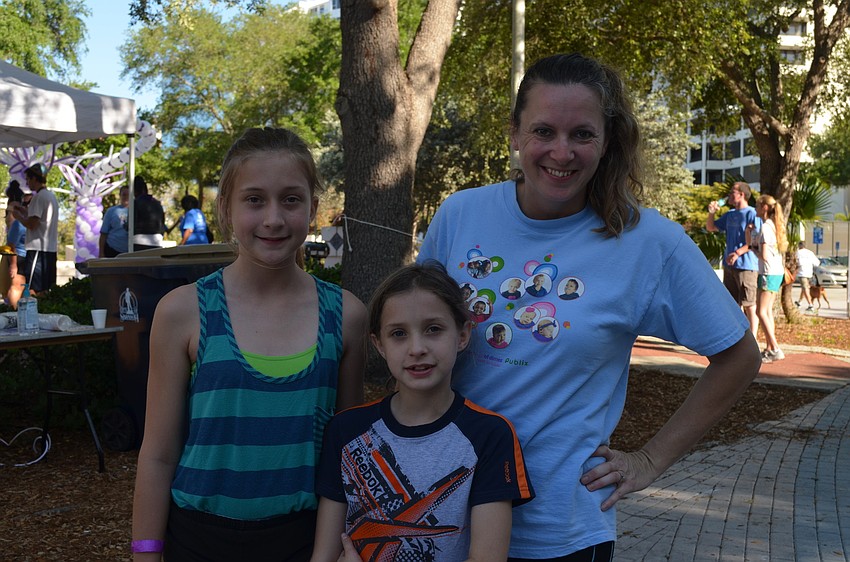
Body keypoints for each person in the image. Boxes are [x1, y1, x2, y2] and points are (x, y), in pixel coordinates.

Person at [417, 53, 761, 560]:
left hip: (559, 529)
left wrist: (649, 459)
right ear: (514, 134)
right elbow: (417, 335)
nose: (562, 152)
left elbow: (740, 356)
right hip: (440, 514)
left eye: (582, 134)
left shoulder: (648, 243)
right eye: (543, 131)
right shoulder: (461, 214)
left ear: (606, 141)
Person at [131, 127, 368, 562]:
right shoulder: (182, 311)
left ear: (313, 208)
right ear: (226, 207)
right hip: (198, 540)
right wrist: (146, 552)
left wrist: (342, 545)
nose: (273, 218)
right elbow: (159, 453)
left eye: (291, 199)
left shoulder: (346, 316)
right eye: (254, 199)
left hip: (304, 541)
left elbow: (347, 455)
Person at [310, 262, 534, 562]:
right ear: (379, 344)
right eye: (399, 333)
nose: (417, 348)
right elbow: (323, 555)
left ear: (463, 334)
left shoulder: (490, 435)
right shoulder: (345, 430)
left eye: (433, 329)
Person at [706, 181, 762, 335]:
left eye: (732, 192)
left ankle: (753, 340)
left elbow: (756, 239)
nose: (729, 195)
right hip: (729, 266)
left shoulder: (752, 213)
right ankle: (737, 336)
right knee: (733, 304)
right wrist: (711, 212)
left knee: (749, 304)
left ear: (742, 194)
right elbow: (711, 227)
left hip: (747, 265)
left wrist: (738, 253)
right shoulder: (730, 214)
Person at [746, 194, 788, 363]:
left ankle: (775, 348)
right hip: (776, 272)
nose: (755, 208)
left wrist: (753, 249)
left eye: (757, 205)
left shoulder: (765, 228)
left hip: (768, 272)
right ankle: (770, 347)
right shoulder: (773, 226)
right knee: (767, 311)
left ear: (764, 207)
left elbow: (763, 255)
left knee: (760, 311)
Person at [12, 164, 58, 294]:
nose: (27, 182)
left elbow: (33, 224)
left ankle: (35, 314)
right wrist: (24, 211)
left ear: (34, 179)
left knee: (34, 290)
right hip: (50, 249)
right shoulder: (50, 196)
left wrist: (18, 216)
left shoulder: (39, 197)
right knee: (46, 289)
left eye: (28, 179)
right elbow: (41, 218)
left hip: (38, 249)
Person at [3, 181, 27, 308]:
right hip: (17, 251)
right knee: (16, 285)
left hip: (14, 250)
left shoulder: (10, 207)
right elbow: (13, 238)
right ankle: (13, 311)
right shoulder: (16, 208)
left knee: (17, 285)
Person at [132, 175, 165, 251]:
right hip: (157, 241)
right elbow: (162, 222)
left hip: (139, 241)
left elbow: (131, 224)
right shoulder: (157, 203)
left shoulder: (135, 203)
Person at [99, 185, 130, 257]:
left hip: (129, 251)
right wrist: (101, 253)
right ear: (120, 196)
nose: (126, 197)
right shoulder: (111, 211)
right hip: (112, 249)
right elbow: (103, 233)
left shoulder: (136, 211)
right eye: (124, 195)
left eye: (129, 195)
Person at [795, 241, 820, 311]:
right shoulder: (810, 252)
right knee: (805, 287)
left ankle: (810, 305)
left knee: (805, 288)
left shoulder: (798, 253)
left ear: (799, 246)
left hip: (802, 273)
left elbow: (796, 263)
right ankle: (799, 302)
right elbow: (817, 263)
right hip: (809, 273)